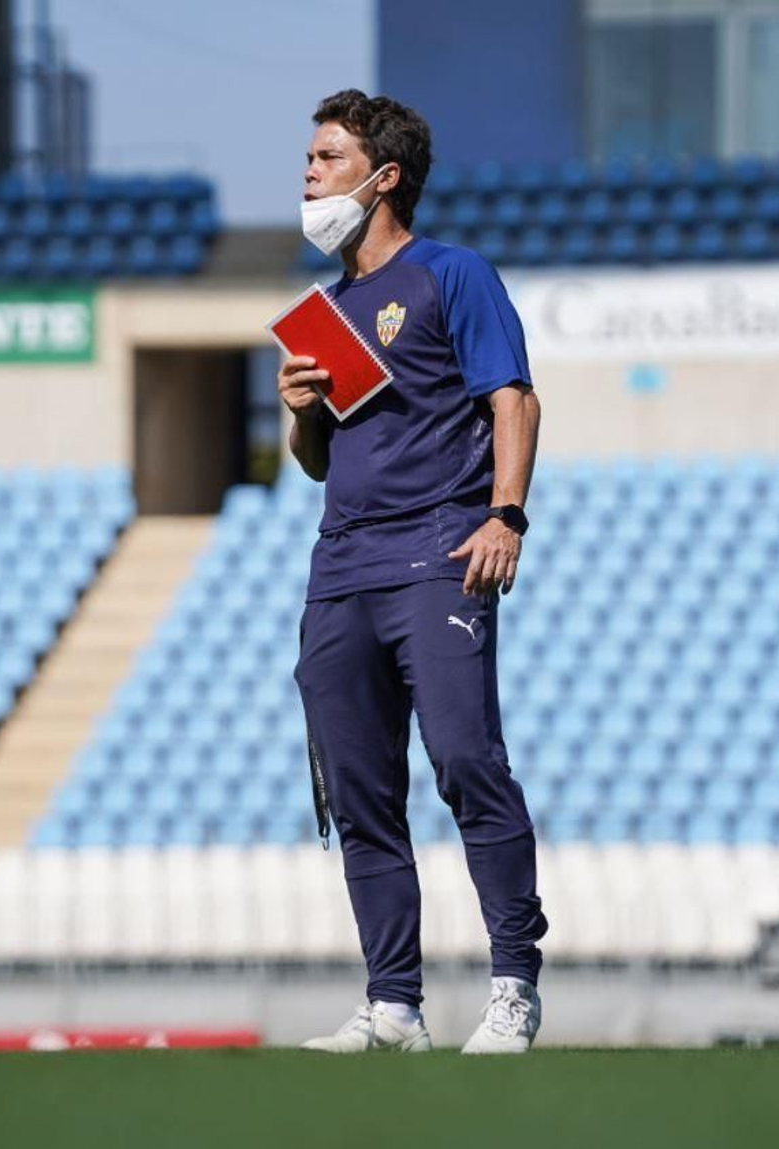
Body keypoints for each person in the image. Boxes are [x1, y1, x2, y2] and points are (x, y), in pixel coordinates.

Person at [280, 89, 547, 1055]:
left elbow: (515, 399)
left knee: (468, 763)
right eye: (308, 158)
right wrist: (302, 407)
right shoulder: (327, 311)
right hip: (340, 567)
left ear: (383, 176)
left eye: (327, 157)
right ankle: (395, 1004)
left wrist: (504, 514)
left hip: (439, 549)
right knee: (358, 793)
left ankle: (515, 984)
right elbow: (318, 460)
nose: (308, 173)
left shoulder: (451, 275)